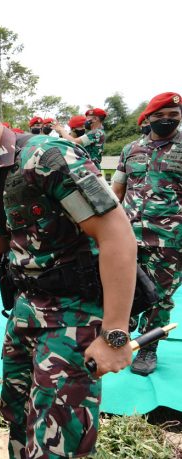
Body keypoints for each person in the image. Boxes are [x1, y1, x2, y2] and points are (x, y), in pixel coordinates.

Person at [0, 73, 136, 458]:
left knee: (57, 443)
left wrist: (115, 335)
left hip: (73, 317)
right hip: (24, 313)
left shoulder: (47, 157)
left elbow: (116, 236)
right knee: (17, 422)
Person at [111, 92, 182, 376]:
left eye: (173, 116)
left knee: (161, 297)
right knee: (122, 288)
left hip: (170, 239)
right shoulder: (131, 150)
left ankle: (149, 348)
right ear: (149, 117)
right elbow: (117, 191)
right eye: (160, 116)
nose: (166, 121)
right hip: (128, 236)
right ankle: (119, 336)